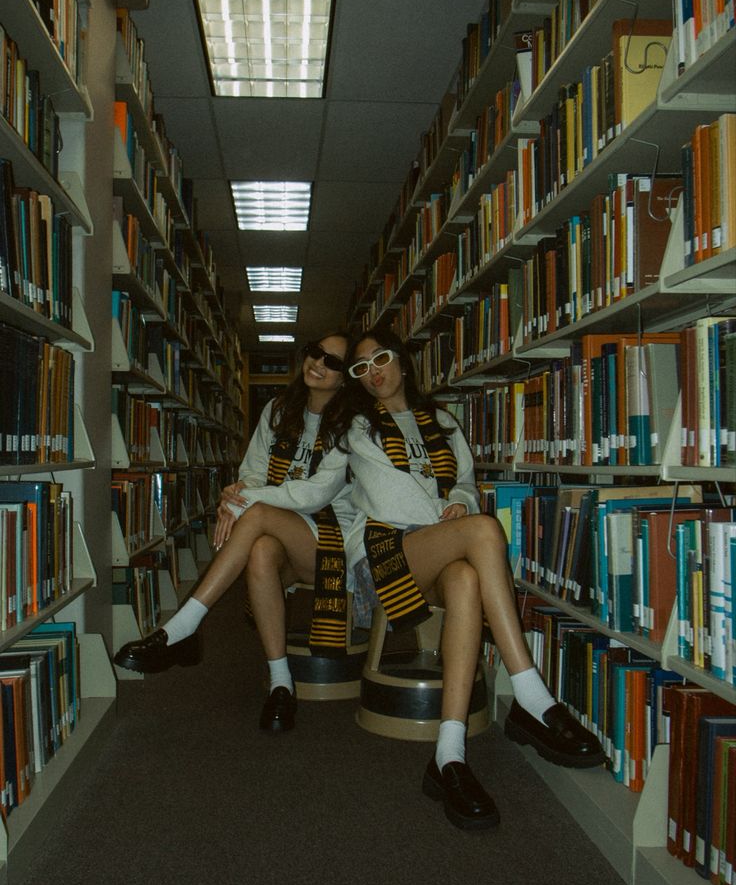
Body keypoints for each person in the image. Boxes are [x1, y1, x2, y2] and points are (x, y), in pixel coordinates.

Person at [204, 325, 604, 829]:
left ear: (404, 362)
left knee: (463, 579)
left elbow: (463, 482)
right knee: (482, 534)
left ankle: (449, 756)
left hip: (435, 550)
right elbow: (392, 498)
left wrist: (458, 501)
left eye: (380, 359)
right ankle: (532, 696)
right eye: (361, 368)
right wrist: (454, 515)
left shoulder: (444, 422)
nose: (373, 373)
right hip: (384, 555)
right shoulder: (355, 426)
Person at [113, 333, 354, 733]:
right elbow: (254, 467)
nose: (319, 363)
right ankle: (281, 682)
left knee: (256, 516)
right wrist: (243, 490)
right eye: (315, 352)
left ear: (345, 377)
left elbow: (317, 493)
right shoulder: (279, 410)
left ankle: (184, 626)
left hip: (331, 540)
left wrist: (245, 501)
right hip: (279, 530)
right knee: (259, 549)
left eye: (333, 361)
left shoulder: (352, 423)